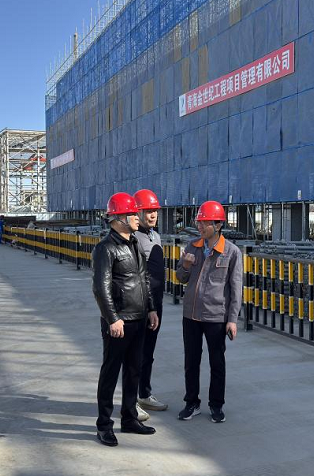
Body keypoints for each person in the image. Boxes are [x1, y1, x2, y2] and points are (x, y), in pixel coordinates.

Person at [92, 192, 160, 446]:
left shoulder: (134, 244)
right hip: (119, 323)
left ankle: (129, 418)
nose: (137, 217)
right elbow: (101, 288)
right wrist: (112, 318)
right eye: (132, 213)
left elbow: (144, 279)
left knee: (133, 371)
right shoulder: (105, 249)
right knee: (110, 373)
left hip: (139, 318)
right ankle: (104, 425)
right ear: (119, 218)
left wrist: (151, 309)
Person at [175, 200, 242, 423]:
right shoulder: (191, 247)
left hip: (216, 317)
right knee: (191, 361)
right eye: (199, 222)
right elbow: (180, 278)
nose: (200, 226)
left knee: (217, 362)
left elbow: (236, 288)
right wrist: (185, 265)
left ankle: (216, 405)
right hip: (191, 315)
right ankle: (191, 402)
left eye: (205, 223)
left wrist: (232, 320)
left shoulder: (231, 252)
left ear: (218, 224)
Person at [134, 189, 167, 413]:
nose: (153, 214)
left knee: (148, 352)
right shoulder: (134, 238)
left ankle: (144, 394)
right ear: (138, 212)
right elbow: (137, 275)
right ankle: (132, 401)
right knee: (136, 353)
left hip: (157, 302)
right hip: (141, 304)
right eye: (148, 211)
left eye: (155, 210)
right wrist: (148, 306)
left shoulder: (155, 236)